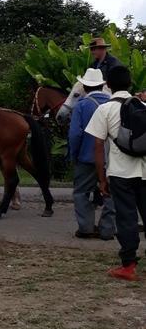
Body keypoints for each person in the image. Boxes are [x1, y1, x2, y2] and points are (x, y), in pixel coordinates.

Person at [85, 65, 145, 281]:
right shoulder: (143, 105)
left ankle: (128, 266)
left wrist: (101, 179)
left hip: (120, 173)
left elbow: (98, 146)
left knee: (127, 218)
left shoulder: (105, 109)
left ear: (108, 84)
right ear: (130, 83)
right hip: (144, 171)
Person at [68, 68, 115, 240]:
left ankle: (86, 228)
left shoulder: (82, 105)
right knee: (111, 193)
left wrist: (74, 155)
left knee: (81, 192)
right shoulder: (113, 103)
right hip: (111, 159)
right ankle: (108, 229)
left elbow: (75, 134)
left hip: (86, 158)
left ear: (85, 86)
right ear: (102, 85)